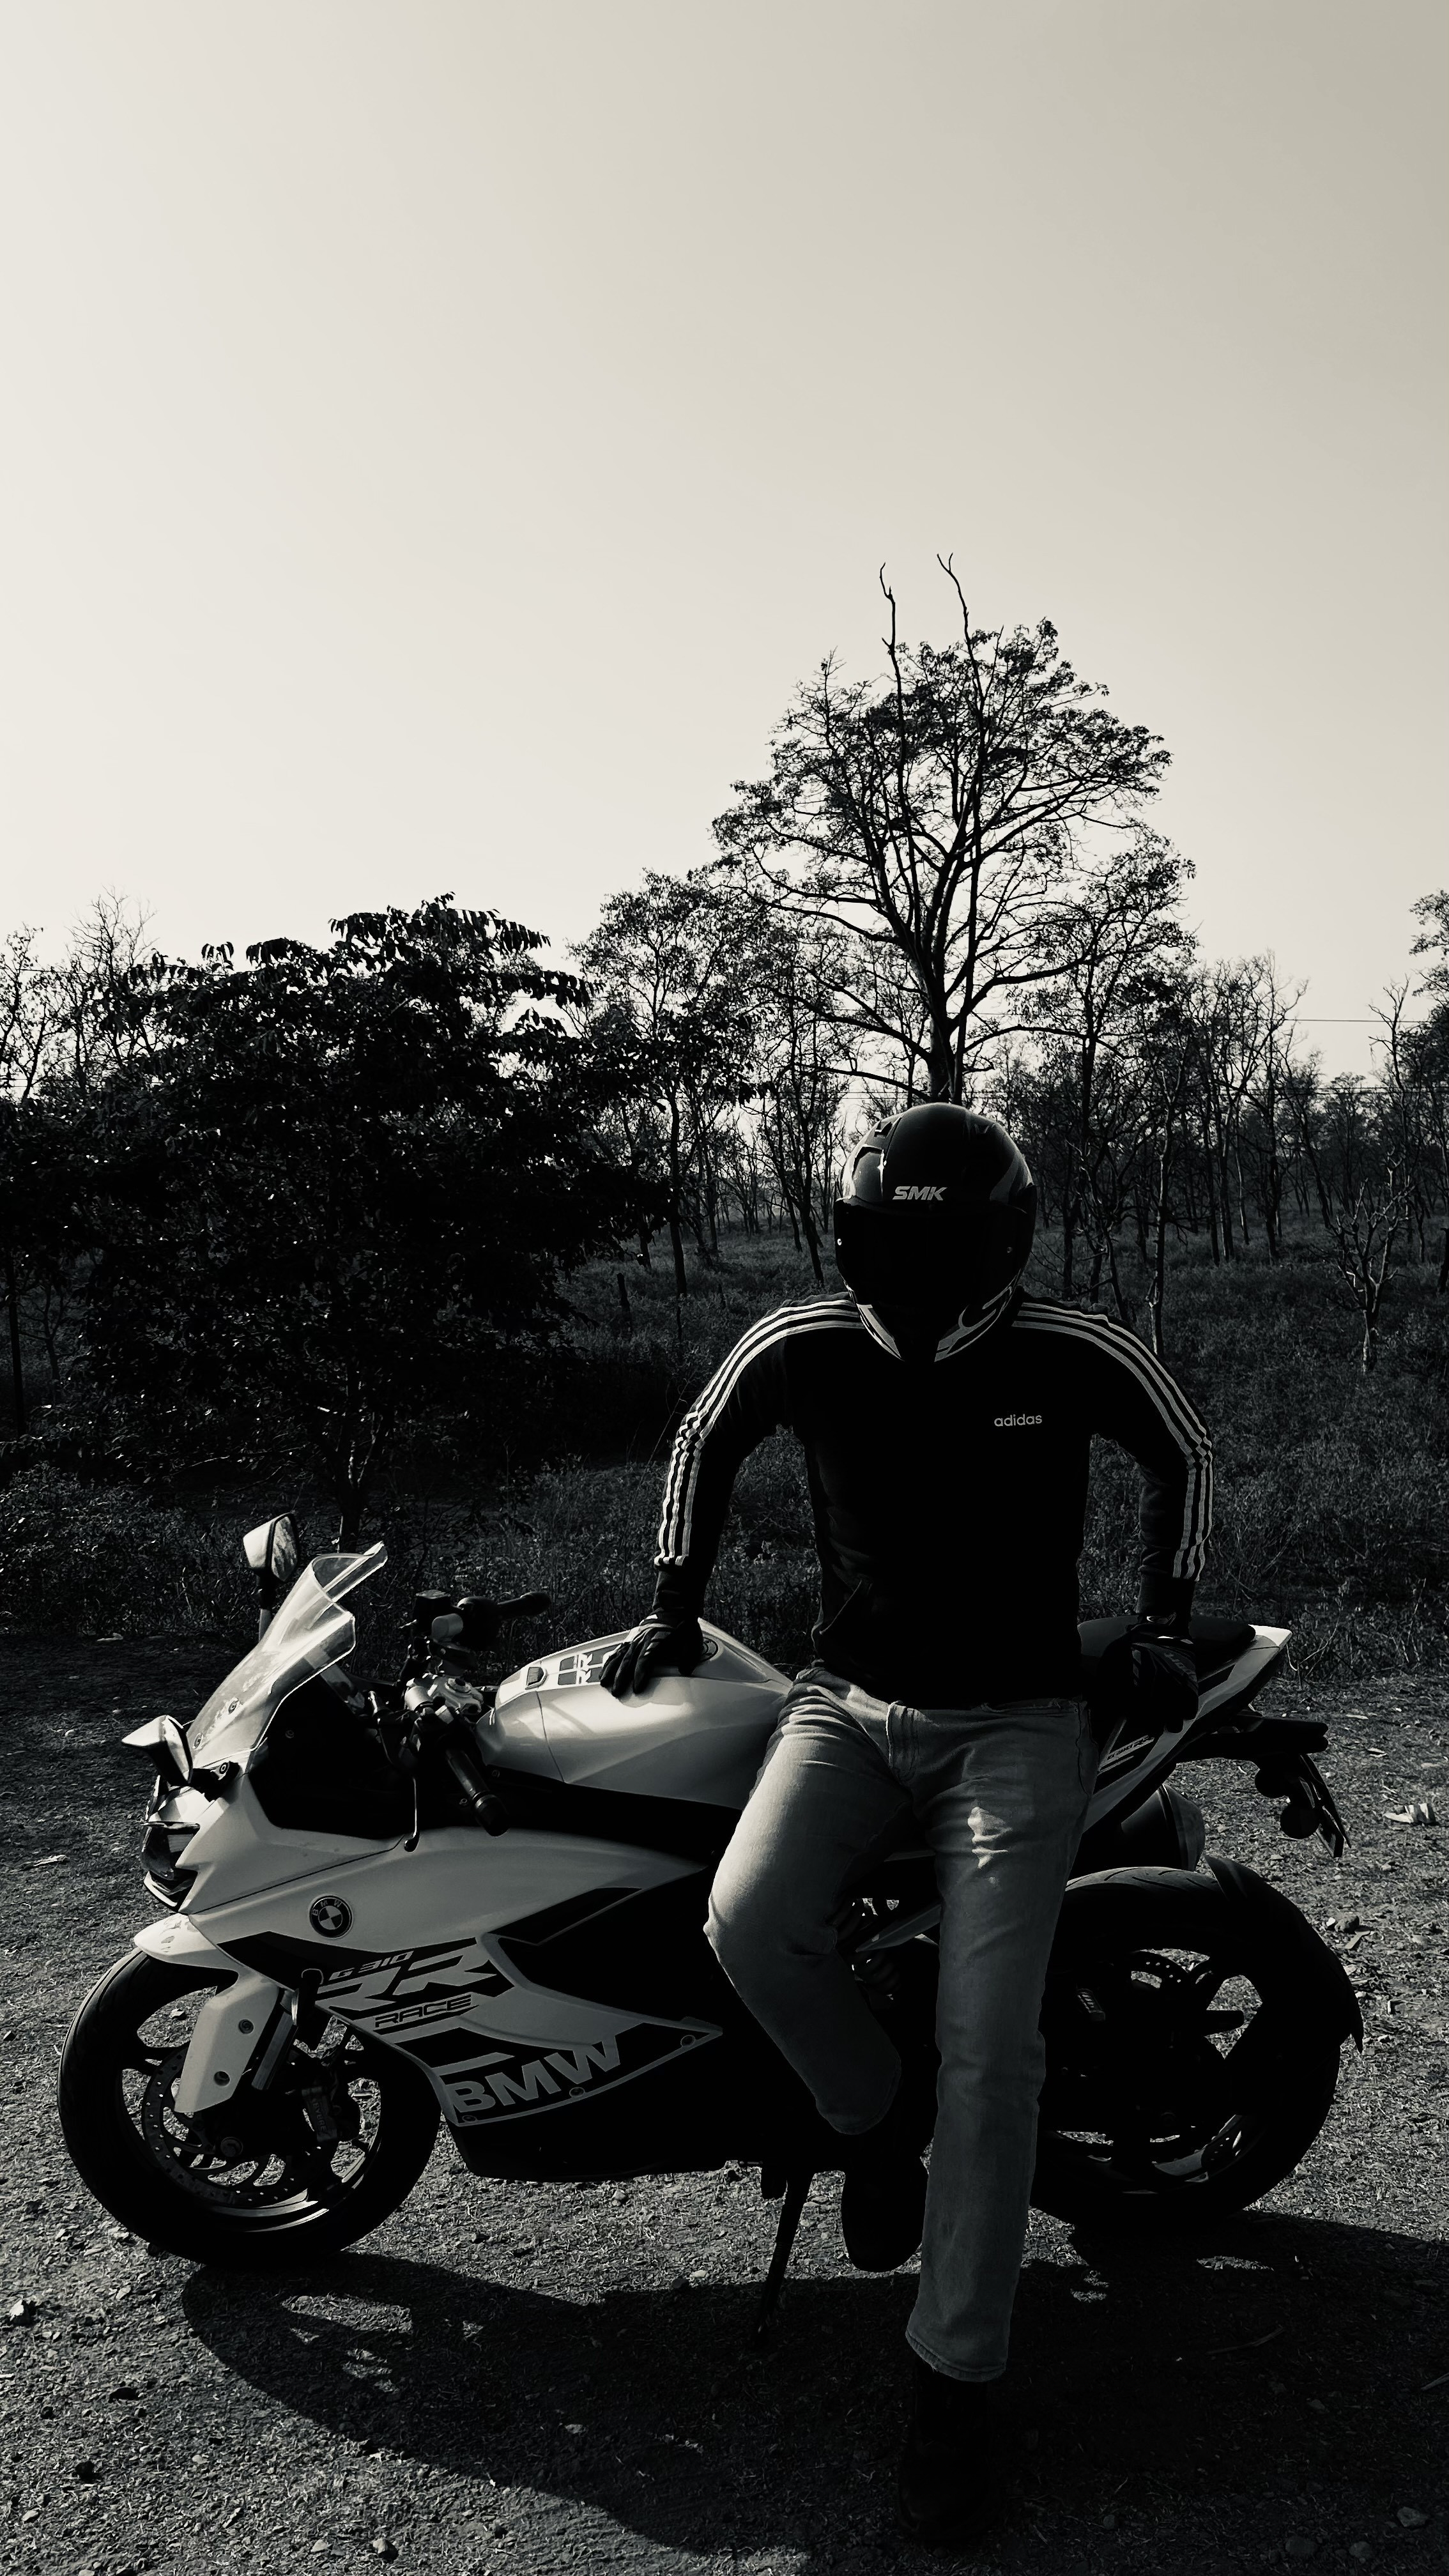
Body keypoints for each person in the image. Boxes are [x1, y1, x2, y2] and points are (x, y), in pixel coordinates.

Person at [602, 1105, 1211, 2544]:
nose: (910, 1269)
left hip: (1023, 1723)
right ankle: (875, 2123)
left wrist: (1165, 1622)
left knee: (991, 2053)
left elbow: (1182, 1451)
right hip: (848, 1706)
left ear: (1003, 1243)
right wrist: (674, 1602)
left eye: (939, 1244)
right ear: (852, 1241)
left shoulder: (1071, 1346)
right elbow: (703, 1437)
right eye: (886, 1241)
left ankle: (955, 2381)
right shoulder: (802, 1341)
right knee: (747, 1920)